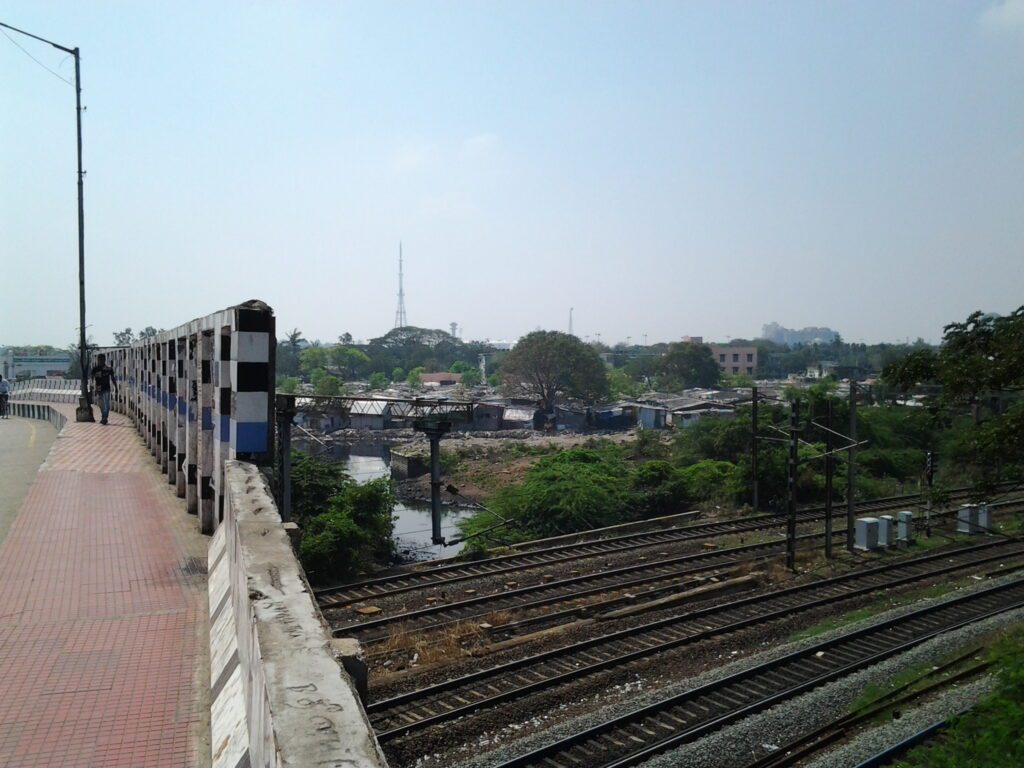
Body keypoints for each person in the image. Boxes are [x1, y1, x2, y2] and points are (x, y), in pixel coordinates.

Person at [91, 354, 119, 425]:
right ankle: (103, 415)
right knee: (100, 404)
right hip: (98, 388)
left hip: (106, 388)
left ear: (104, 360)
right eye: (99, 360)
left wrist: (116, 387)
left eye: (101, 359)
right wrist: (91, 386)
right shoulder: (95, 369)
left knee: (106, 403)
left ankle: (105, 417)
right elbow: (91, 378)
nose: (100, 361)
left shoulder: (108, 369)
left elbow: (112, 378)